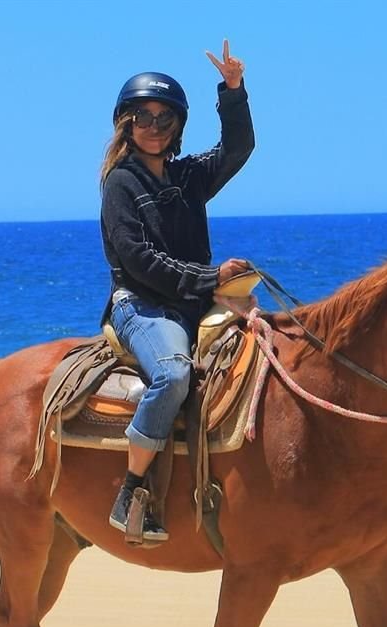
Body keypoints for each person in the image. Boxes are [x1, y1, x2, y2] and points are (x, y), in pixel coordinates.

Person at [99, 40, 254, 542]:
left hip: (193, 300)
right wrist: (214, 280)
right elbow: (142, 263)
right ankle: (132, 489)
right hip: (143, 306)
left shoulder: (188, 176)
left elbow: (237, 149)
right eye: (142, 117)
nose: (153, 126)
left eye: (165, 119)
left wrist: (233, 92)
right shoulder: (121, 184)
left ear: (178, 128)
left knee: (271, 346)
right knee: (172, 374)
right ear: (125, 123)